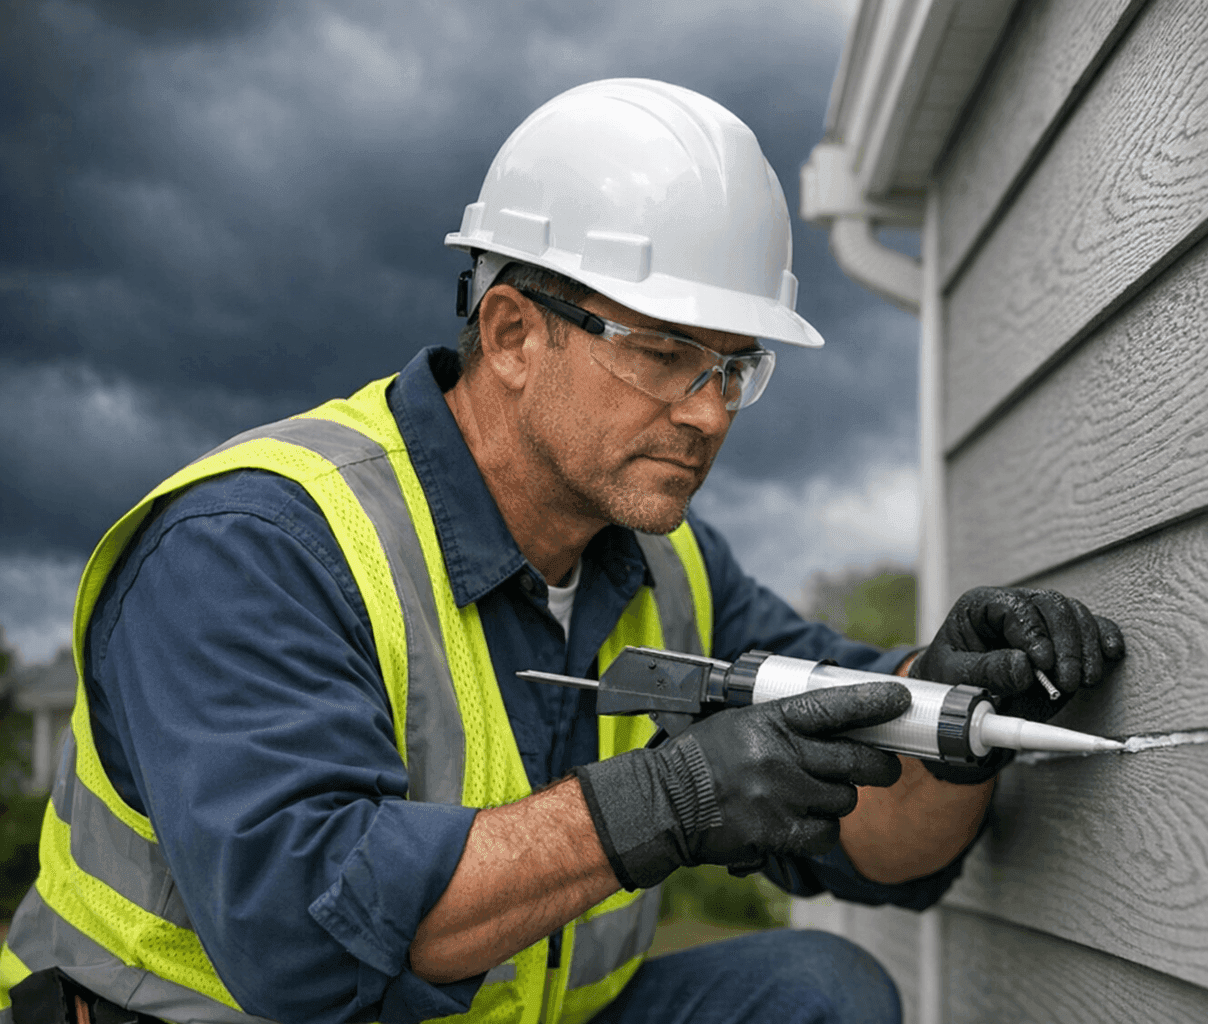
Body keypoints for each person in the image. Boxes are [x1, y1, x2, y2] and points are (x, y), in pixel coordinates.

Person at [0, 79, 1122, 1024]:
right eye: (666, 350)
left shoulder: (671, 570)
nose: (710, 411)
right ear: (513, 334)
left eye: (734, 366)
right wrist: (662, 803)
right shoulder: (256, 545)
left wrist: (947, 715)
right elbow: (304, 944)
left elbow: (886, 846)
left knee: (814, 992)